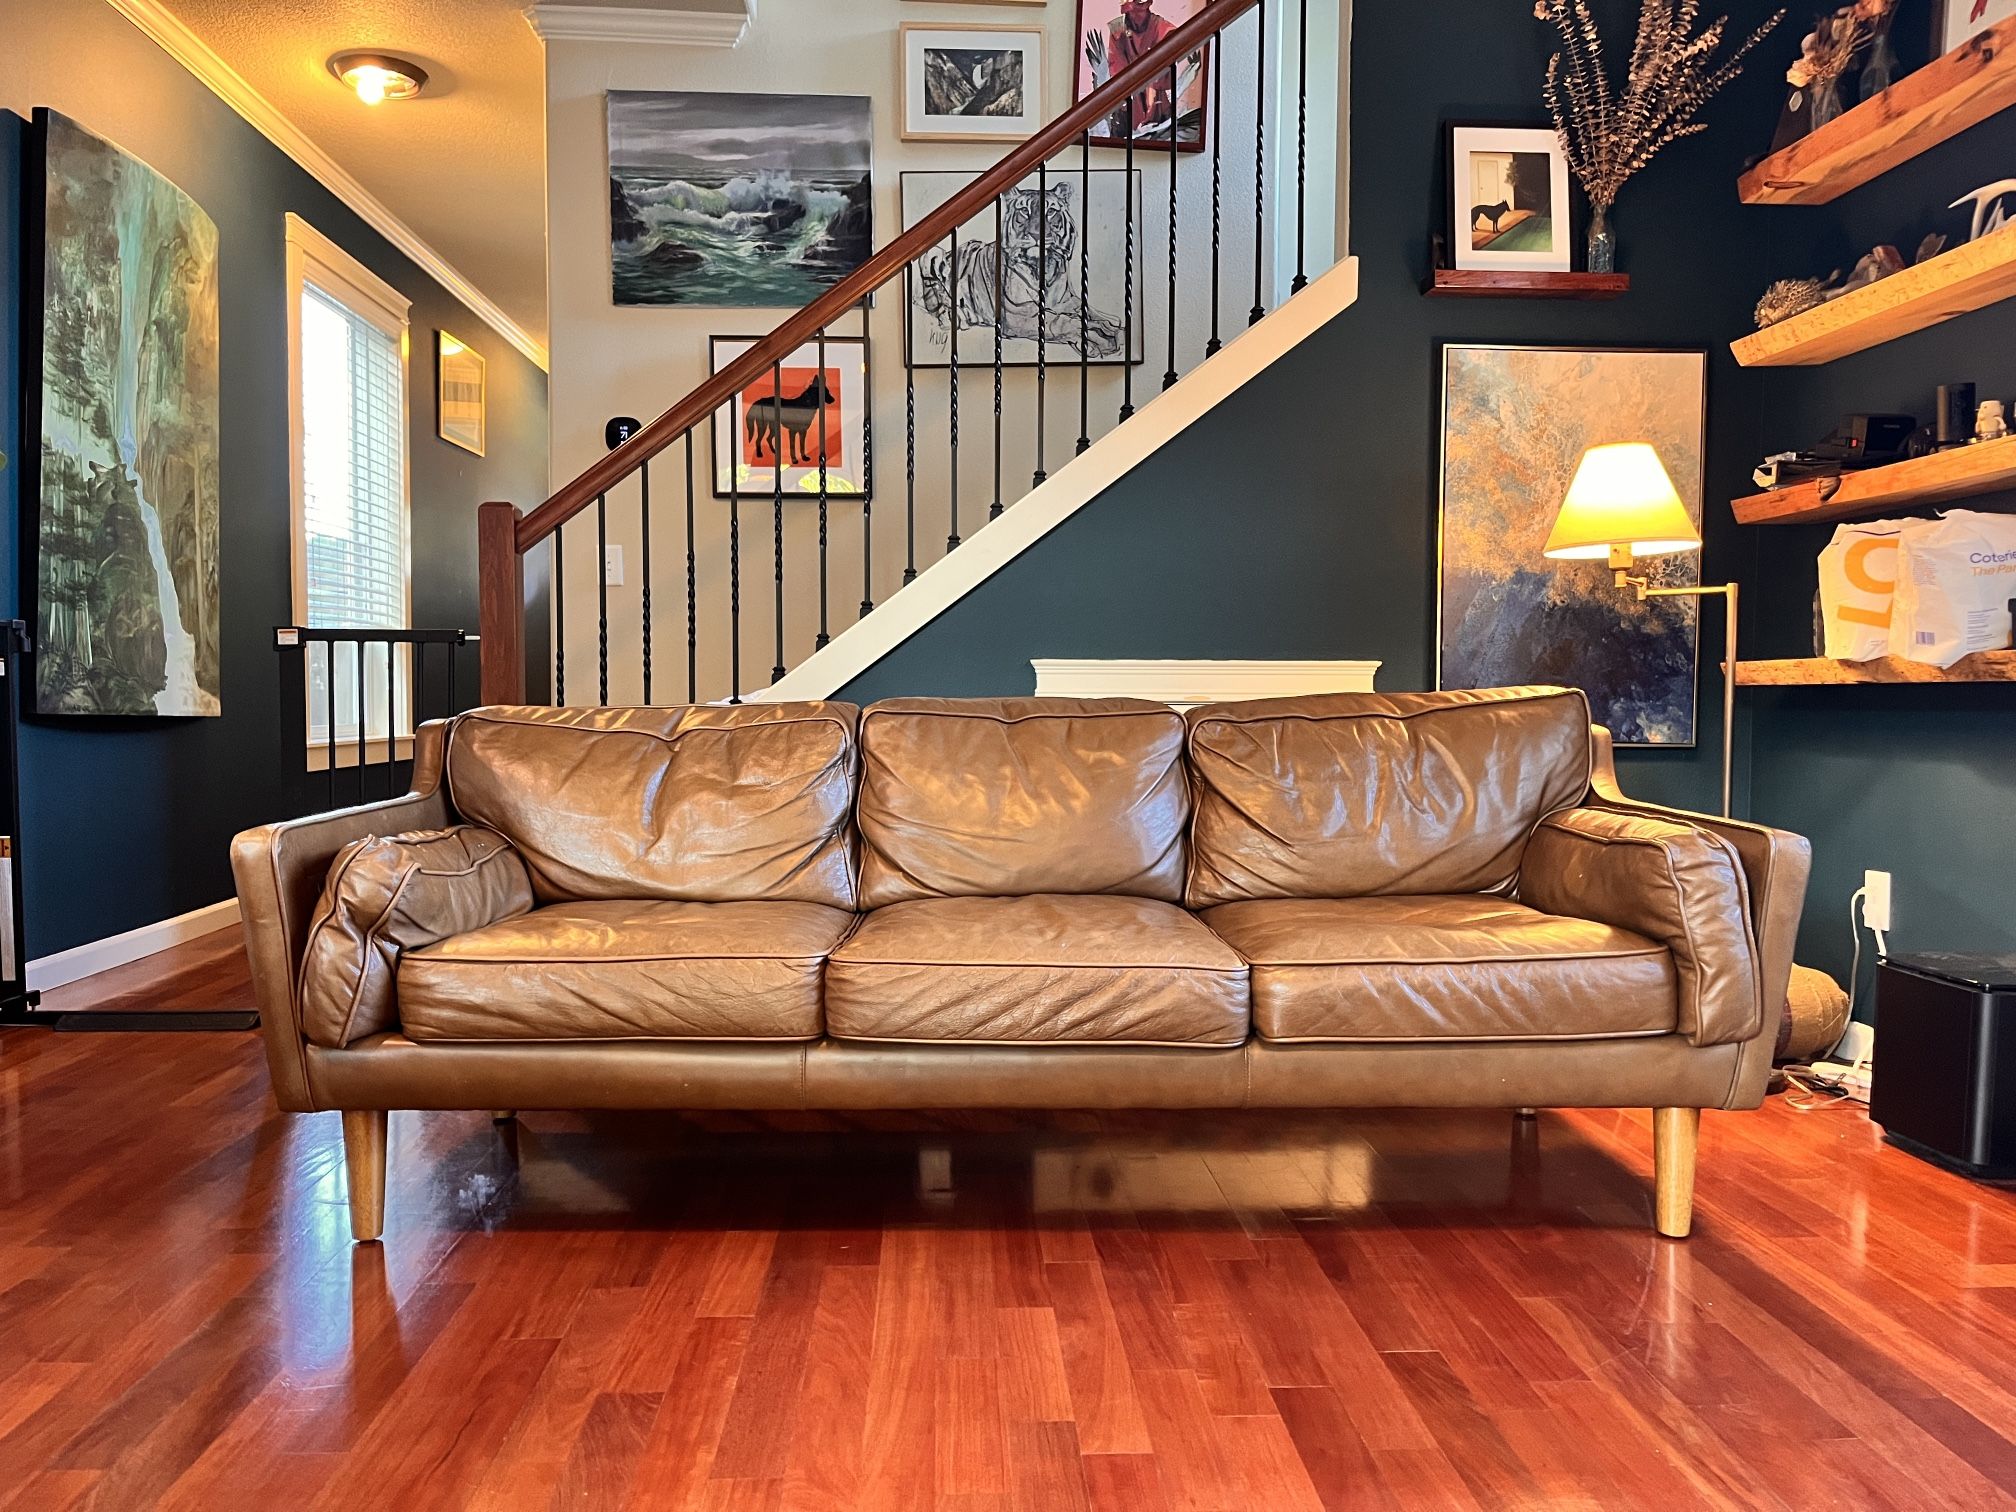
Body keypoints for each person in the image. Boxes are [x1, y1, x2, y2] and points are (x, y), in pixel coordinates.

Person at [1106, 1, 1179, 137]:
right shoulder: (1117, 29)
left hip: (1157, 109)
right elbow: (1117, 70)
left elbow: (1166, 76)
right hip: (1128, 107)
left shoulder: (1162, 28)